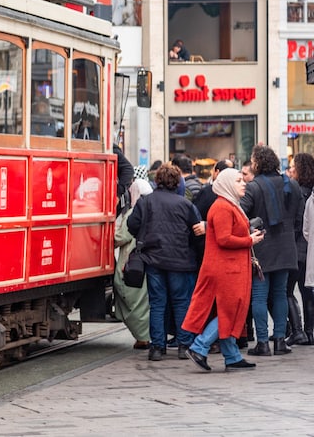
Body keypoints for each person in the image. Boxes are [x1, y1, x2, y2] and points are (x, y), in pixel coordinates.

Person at [182, 168, 263, 372]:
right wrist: (249, 239)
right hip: (226, 270)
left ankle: (232, 356)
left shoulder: (228, 205)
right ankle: (199, 347)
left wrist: (248, 233)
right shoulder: (222, 207)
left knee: (229, 311)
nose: (243, 183)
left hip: (230, 268)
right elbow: (224, 239)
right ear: (227, 184)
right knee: (229, 311)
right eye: (238, 180)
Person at [127, 164, 205, 361]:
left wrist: (144, 235)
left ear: (157, 181)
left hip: (154, 259)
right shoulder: (186, 204)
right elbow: (197, 233)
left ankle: (157, 347)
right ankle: (183, 344)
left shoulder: (146, 202)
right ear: (177, 182)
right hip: (181, 261)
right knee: (181, 303)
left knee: (157, 303)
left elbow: (131, 224)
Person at [241, 144, 302, 356]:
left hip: (262, 247)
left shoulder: (253, 187)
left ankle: (263, 343)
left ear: (257, 163)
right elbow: (299, 218)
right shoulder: (292, 185)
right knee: (280, 294)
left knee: (259, 296)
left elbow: (241, 216)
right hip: (286, 246)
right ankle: (279, 341)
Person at [114, 178, 152, 349]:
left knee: (130, 298)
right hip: (149, 261)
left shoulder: (133, 212)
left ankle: (143, 337)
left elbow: (120, 237)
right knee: (144, 301)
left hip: (132, 262)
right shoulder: (154, 209)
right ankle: (147, 337)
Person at [288, 153, 314, 345]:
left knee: (287, 290)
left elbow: (301, 225)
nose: (290, 171)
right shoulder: (310, 192)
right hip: (308, 248)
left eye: (293, 167)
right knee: (307, 292)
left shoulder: (296, 191)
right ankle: (308, 331)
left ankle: (298, 330)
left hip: (298, 247)